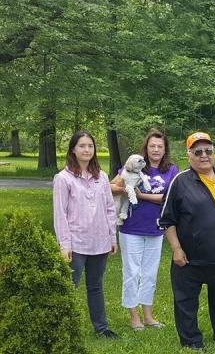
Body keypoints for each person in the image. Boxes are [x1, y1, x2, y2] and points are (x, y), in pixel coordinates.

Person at [158, 132, 215, 349]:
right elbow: (167, 220)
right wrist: (176, 248)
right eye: (198, 151)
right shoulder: (180, 181)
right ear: (189, 155)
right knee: (186, 302)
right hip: (189, 259)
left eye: (208, 150)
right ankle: (191, 341)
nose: (204, 155)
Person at [110, 128, 178, 331]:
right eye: (152, 146)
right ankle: (133, 315)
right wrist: (126, 188)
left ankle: (148, 315)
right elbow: (111, 186)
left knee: (149, 274)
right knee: (132, 272)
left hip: (156, 228)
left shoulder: (171, 170)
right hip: (131, 227)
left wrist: (141, 196)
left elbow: (169, 198)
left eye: (160, 146)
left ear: (165, 149)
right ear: (146, 148)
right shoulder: (135, 166)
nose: (156, 149)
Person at [53, 130, 119, 339]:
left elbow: (110, 208)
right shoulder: (63, 178)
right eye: (82, 145)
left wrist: (112, 237)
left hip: (100, 241)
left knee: (95, 286)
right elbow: (60, 214)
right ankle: (60, 328)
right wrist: (65, 245)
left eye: (90, 146)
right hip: (76, 243)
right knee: (68, 286)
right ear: (73, 149)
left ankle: (101, 328)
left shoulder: (102, 177)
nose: (87, 150)